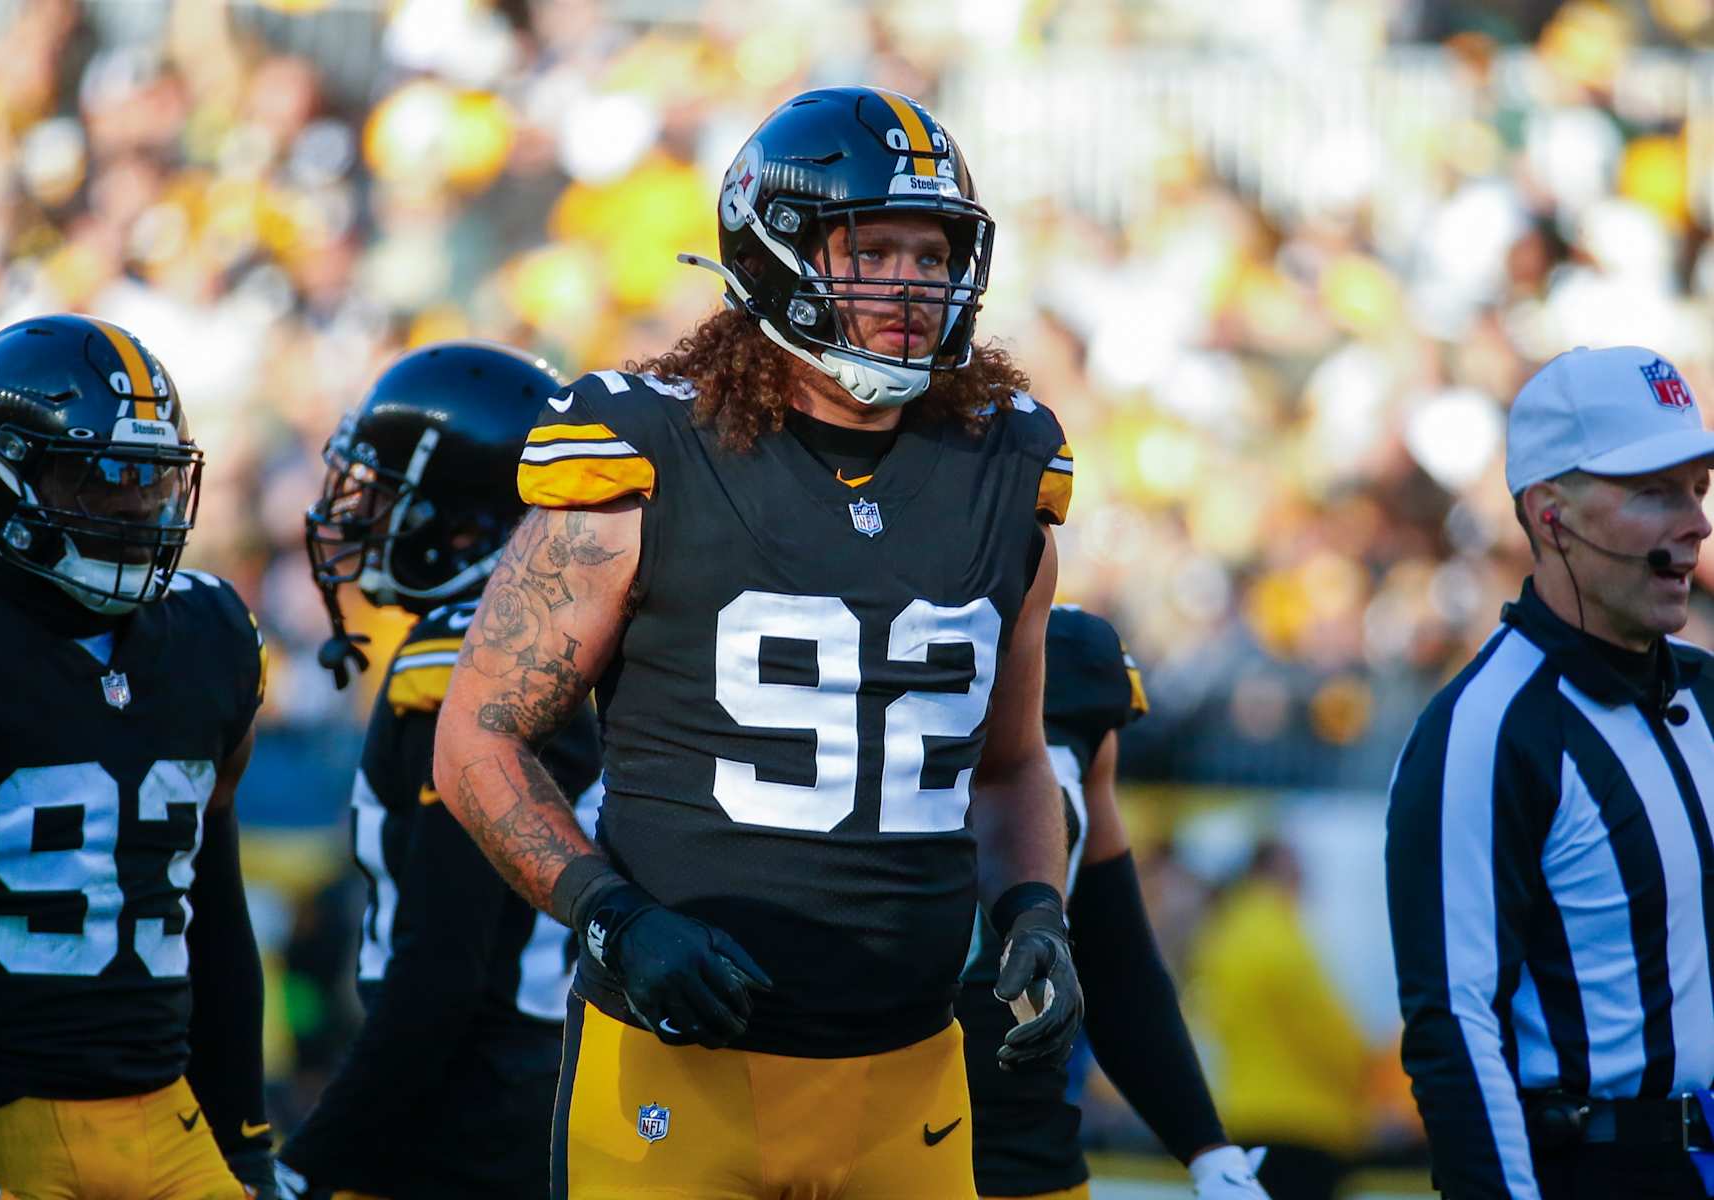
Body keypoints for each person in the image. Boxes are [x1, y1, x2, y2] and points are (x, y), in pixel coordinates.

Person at [432, 86, 1084, 1199]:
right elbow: (478, 739)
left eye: (933, 252)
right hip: (679, 1077)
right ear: (776, 250)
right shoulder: (648, 452)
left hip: (912, 1081)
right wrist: (613, 917)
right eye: (872, 249)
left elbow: (1011, 767)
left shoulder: (1004, 468)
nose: (912, 286)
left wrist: (1033, 910)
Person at [0, 315, 274, 1200]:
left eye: (152, 478)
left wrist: (249, 1139)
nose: (133, 505)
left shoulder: (212, 633)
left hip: (172, 1113)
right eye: (97, 474)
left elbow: (217, 922)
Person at [274, 342, 602, 1199]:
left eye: (388, 495)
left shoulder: (462, 664)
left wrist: (311, 1159)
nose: (361, 515)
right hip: (553, 1080)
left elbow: (442, 972)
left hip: (469, 1108)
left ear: (464, 522)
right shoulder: (566, 636)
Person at [1386, 345, 1714, 1200]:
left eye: (1698, 488)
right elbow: (1455, 1034)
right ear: (1551, 514)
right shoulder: (1485, 732)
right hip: (1607, 1169)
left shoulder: (1707, 692)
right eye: (1655, 492)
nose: (1697, 523)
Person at [962, 605, 1268, 1200]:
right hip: (864, 1112)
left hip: (1019, 1144)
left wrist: (1209, 1151)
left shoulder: (1068, 662)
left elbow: (1113, 958)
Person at [1190, 839, 1371, 1200]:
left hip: (1239, 1116)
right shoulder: (1281, 937)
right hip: (1302, 1124)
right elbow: (1328, 1034)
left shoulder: (1222, 937)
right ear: (1274, 871)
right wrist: (1366, 1074)